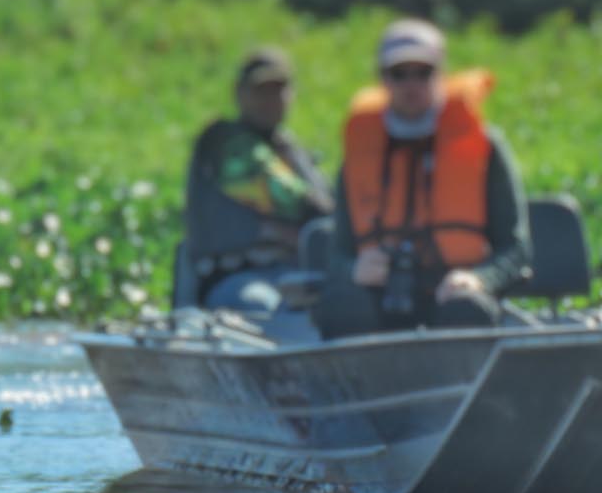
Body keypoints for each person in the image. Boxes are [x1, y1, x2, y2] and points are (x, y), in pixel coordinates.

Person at [314, 19, 532, 339]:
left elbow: (515, 250)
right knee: (342, 306)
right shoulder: (360, 152)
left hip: (451, 296)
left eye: (423, 72)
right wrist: (353, 270)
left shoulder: (485, 147)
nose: (411, 84)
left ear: (440, 75)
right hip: (380, 296)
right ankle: (358, 387)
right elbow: (337, 254)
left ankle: (468, 385)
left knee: (466, 310)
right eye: (400, 73)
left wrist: (481, 279)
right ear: (383, 79)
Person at [184, 46, 333, 317]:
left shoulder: (291, 149)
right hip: (237, 279)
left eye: (278, 90)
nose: (270, 99)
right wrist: (342, 222)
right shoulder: (224, 142)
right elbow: (295, 201)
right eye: (260, 91)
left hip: (298, 276)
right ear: (239, 93)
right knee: (272, 309)